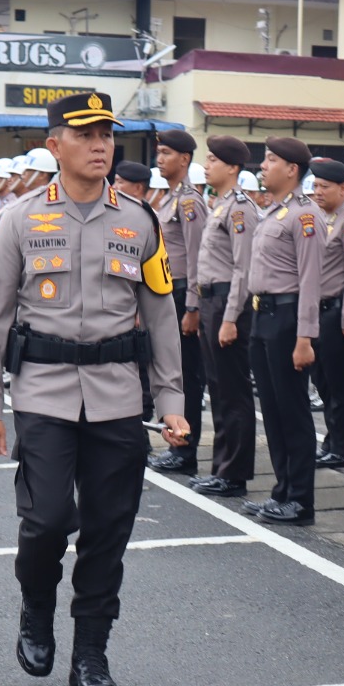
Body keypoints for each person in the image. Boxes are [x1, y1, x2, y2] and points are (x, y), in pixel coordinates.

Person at [0, 91, 187, 686]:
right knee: (44, 521)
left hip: (118, 398)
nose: (100, 145)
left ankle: (91, 650)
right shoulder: (20, 218)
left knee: (108, 530)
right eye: (86, 134)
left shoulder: (139, 221)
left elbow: (161, 316)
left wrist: (172, 400)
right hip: (44, 393)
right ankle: (36, 604)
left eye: (107, 136)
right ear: (54, 144)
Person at [237, 137, 325, 526]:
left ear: (292, 169)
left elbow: (311, 280)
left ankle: (301, 500)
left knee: (293, 411)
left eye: (271, 160)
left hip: (288, 320)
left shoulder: (305, 215)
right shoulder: (273, 212)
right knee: (271, 411)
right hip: (263, 316)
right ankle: (283, 492)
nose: (263, 166)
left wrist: (305, 336)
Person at [190, 135, 259, 499]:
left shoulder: (239, 209)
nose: (207, 164)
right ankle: (221, 467)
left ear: (232, 168)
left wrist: (231, 317)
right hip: (210, 303)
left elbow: (243, 269)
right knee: (217, 388)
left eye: (214, 159)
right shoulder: (218, 205)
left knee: (232, 391)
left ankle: (234, 474)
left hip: (227, 305)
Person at [149, 130, 208, 476]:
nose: (160, 158)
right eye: (159, 152)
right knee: (172, 374)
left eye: (167, 153)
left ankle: (186, 452)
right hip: (167, 293)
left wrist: (193, 306)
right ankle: (178, 446)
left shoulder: (190, 202)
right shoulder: (170, 199)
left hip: (183, 293)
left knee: (187, 378)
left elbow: (199, 256)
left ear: (184, 160)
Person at [308, 158, 344, 469]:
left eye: (324, 187)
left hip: (335, 312)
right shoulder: (317, 219)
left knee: (339, 383)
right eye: (315, 186)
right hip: (315, 313)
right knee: (322, 382)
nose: (318, 192)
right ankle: (332, 441)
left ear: (342, 190)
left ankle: (343, 448)